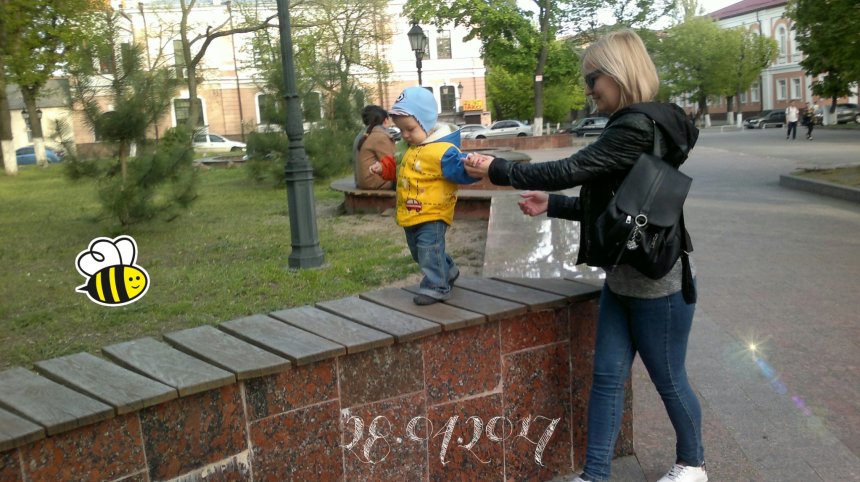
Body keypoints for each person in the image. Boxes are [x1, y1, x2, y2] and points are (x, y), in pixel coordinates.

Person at [465, 30, 707, 482]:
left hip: (658, 287)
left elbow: (569, 169)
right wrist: (551, 204)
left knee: (670, 380)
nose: (588, 89)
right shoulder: (639, 126)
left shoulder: (636, 126)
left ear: (616, 74)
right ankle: (595, 476)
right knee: (607, 379)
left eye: (592, 78)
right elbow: (615, 211)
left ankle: (692, 465)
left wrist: (499, 170)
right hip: (622, 280)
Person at [370, 86, 479, 305]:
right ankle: (448, 270)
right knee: (419, 251)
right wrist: (384, 169)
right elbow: (402, 169)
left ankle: (437, 286)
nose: (406, 135)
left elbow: (460, 169)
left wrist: (472, 166)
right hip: (411, 211)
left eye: (410, 128)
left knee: (429, 248)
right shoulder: (412, 147)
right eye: (402, 131)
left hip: (434, 211)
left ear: (427, 122)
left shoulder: (443, 151)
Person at [353, 105, 395, 190]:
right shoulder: (380, 136)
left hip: (362, 182)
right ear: (386, 120)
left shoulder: (362, 135)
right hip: (376, 183)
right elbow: (392, 163)